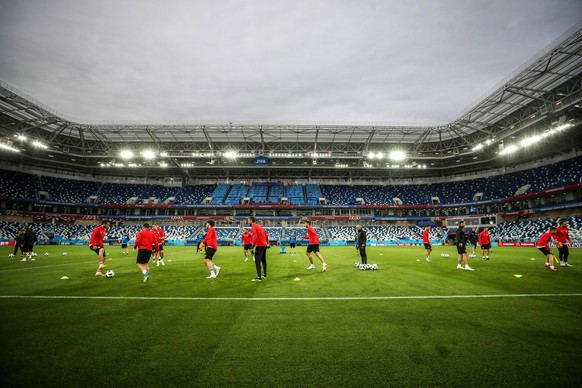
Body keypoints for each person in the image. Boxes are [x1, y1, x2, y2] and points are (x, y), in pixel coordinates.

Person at [248, 216, 268, 281]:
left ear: (251, 221)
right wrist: (267, 243)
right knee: (263, 260)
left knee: (257, 261)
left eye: (248, 220)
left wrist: (253, 246)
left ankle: (259, 277)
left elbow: (255, 236)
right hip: (264, 244)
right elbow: (266, 235)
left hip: (259, 245)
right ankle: (264, 274)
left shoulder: (254, 227)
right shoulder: (259, 226)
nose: (248, 222)